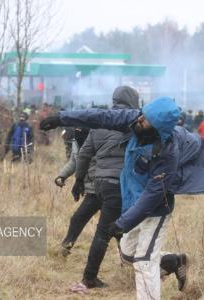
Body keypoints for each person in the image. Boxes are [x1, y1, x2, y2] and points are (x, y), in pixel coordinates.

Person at [40, 97, 204, 299]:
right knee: (127, 253)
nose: (139, 120)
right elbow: (99, 116)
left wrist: (123, 223)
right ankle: (172, 261)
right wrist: (61, 118)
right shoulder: (134, 119)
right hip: (132, 201)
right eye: (142, 115)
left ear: (158, 127)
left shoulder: (168, 152)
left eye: (145, 120)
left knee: (144, 261)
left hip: (156, 209)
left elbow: (153, 194)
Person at [70, 86, 139, 290]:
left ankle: (130, 267)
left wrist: (79, 180)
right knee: (106, 232)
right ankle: (89, 278)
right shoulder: (133, 122)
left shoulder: (100, 124)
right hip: (121, 185)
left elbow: (83, 155)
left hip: (100, 184)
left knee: (120, 227)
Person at [54, 127, 98, 257]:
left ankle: (126, 257)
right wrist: (62, 176)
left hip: (102, 187)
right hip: (90, 188)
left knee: (113, 226)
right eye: (76, 126)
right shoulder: (76, 141)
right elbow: (74, 161)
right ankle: (65, 248)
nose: (78, 129)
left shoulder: (98, 138)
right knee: (77, 219)